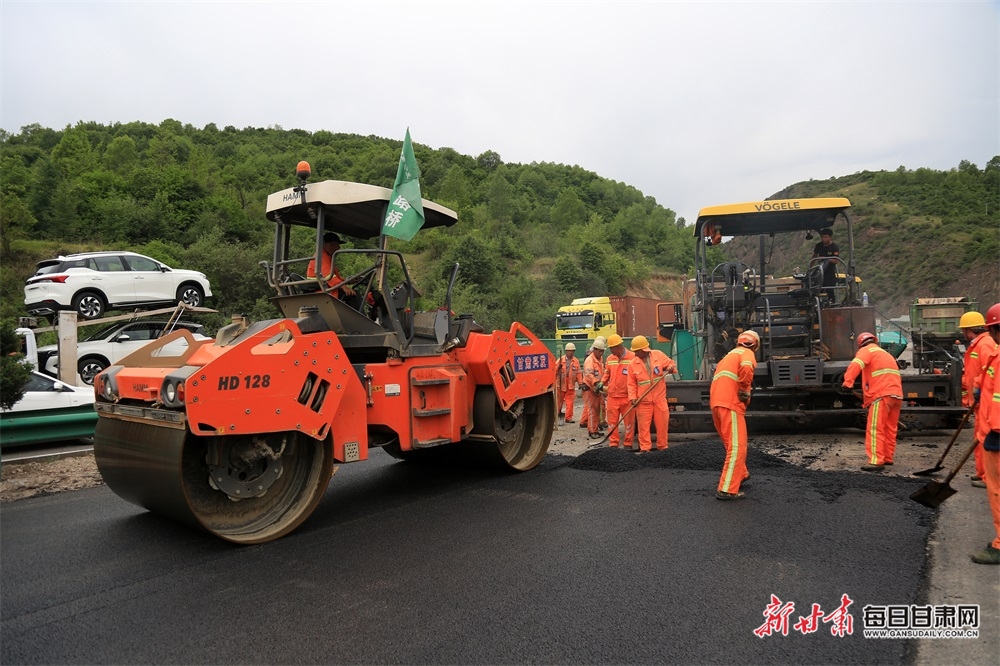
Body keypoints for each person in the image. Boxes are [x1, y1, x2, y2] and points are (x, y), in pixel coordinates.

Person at [841, 332, 903, 471]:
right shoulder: (886, 354)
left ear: (861, 344)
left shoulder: (866, 351)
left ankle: (876, 460)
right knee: (890, 428)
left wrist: (847, 383)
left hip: (881, 395)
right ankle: (887, 457)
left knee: (875, 428)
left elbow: (856, 365)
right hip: (896, 395)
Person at [710, 330, 759, 500]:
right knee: (738, 447)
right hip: (730, 403)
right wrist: (745, 390)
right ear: (755, 345)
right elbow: (746, 368)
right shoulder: (746, 353)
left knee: (731, 443)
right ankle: (727, 489)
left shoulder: (729, 356)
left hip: (717, 403)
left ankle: (741, 474)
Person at [970, 302, 1000, 565]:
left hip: (998, 432)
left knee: (999, 490)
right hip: (990, 424)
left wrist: (997, 432)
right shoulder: (996, 353)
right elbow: (986, 376)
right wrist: (979, 387)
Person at [959, 311, 998, 488]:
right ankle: (981, 472)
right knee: (979, 436)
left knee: (984, 437)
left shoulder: (985, 345)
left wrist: (979, 387)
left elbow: (989, 371)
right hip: (980, 400)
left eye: (963, 330)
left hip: (987, 401)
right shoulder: (977, 345)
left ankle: (986, 476)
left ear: (968, 330)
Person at [627, 335, 677, 453]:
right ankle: (645, 449)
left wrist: (670, 367)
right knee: (643, 428)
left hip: (659, 400)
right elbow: (631, 384)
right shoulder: (632, 364)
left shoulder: (658, 355)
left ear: (643, 350)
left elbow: (671, 364)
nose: (635, 353)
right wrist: (633, 398)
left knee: (662, 426)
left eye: (636, 351)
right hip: (643, 402)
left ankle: (663, 448)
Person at [602, 334, 636, 449]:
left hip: (627, 396)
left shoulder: (632, 358)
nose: (610, 351)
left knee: (629, 422)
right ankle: (613, 443)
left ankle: (628, 444)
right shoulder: (610, 359)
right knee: (612, 422)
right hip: (612, 396)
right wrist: (602, 382)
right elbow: (607, 373)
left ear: (618, 346)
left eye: (611, 348)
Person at [306, 232, 356, 300]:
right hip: (322, 293)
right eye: (335, 244)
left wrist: (347, 281)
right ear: (326, 244)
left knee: (352, 295)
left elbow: (333, 277)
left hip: (327, 289)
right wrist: (344, 287)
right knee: (353, 296)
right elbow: (328, 276)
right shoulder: (320, 257)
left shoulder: (327, 257)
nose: (338, 247)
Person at [582, 338, 607, 439]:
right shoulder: (590, 360)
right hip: (590, 388)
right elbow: (588, 374)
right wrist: (596, 382)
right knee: (592, 410)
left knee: (597, 410)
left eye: (602, 351)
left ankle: (595, 429)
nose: (601, 353)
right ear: (595, 350)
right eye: (600, 351)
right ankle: (592, 431)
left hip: (597, 389)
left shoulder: (599, 359)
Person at [555, 343, 582, 424]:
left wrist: (580, 383)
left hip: (570, 383)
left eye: (572, 351)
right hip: (561, 383)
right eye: (569, 351)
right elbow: (554, 372)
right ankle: (557, 415)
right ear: (566, 351)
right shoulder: (560, 360)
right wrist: (557, 368)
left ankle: (568, 417)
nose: (571, 353)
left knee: (570, 401)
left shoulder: (576, 361)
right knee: (558, 401)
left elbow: (578, 373)